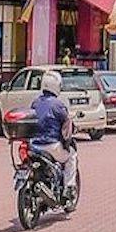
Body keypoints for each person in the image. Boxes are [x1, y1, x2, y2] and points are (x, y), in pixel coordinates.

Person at [31, 70, 77, 199]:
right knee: (71, 156)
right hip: (51, 145)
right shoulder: (58, 105)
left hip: (34, 145)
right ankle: (69, 187)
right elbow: (67, 125)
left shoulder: (35, 103)